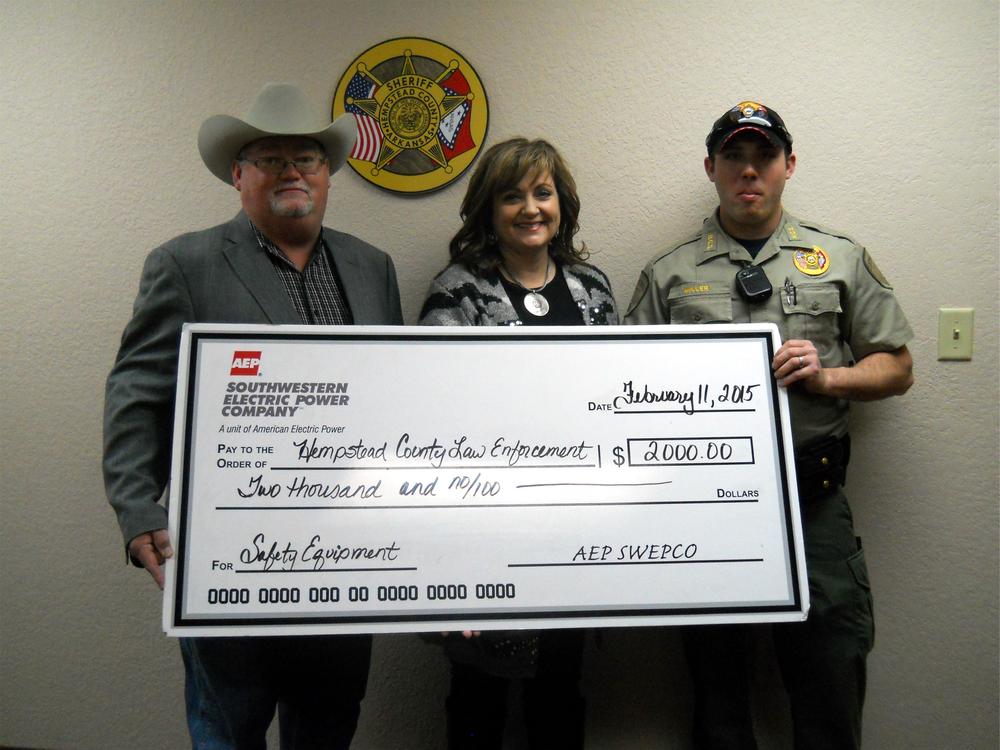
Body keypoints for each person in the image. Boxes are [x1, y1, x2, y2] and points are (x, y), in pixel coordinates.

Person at [103, 83, 403, 749]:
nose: (293, 171)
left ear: (329, 177)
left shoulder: (371, 267)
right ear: (238, 176)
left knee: (328, 723)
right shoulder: (186, 263)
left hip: (349, 555)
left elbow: (396, 396)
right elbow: (138, 391)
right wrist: (138, 508)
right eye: (270, 159)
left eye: (308, 158)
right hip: (229, 554)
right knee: (227, 727)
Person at [625, 101, 914, 749]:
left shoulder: (837, 258)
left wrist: (830, 375)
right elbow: (624, 394)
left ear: (788, 165)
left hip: (811, 503)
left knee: (829, 681)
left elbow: (897, 368)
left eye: (763, 157)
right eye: (734, 157)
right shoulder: (667, 274)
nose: (748, 171)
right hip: (705, 511)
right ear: (711, 167)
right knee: (718, 692)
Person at [419, 137, 618, 748]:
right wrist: (459, 566)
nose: (530, 209)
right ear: (488, 209)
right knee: (478, 699)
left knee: (559, 695)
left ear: (563, 204)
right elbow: (432, 427)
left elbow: (621, 407)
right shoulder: (457, 291)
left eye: (543, 192)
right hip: (485, 534)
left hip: (573, 533)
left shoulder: (594, 287)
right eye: (512, 196)